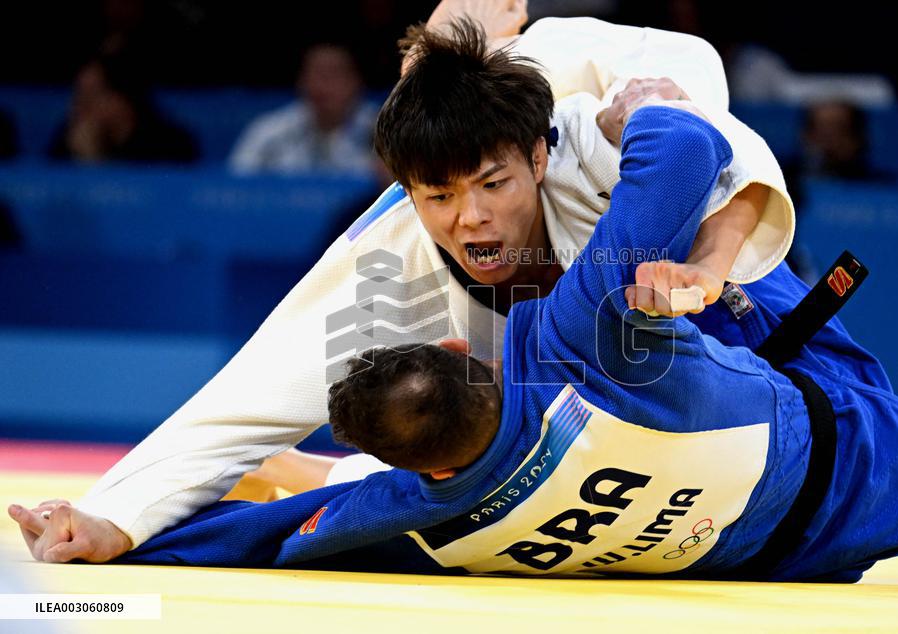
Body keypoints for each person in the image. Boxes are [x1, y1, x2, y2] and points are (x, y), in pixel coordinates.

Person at [9, 6, 796, 563]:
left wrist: (710, 265)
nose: (473, 220)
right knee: (459, 455)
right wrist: (110, 519)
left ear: (534, 154)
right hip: (569, 404)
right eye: (441, 197)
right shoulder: (390, 255)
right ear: (405, 189)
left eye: (492, 185)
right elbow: (240, 402)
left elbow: (713, 136)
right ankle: (302, 473)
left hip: (713, 330)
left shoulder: (577, 112)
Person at [107, 102, 898, 582]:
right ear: (459, 346)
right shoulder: (585, 330)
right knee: (697, 275)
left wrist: (111, 545)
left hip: (798, 561)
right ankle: (717, 277)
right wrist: (617, 116)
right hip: (876, 453)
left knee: (314, 491)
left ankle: (299, 461)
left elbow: (262, 538)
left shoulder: (413, 514)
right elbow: (688, 142)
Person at [228, 43, 382, 176]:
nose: (324, 85)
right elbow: (236, 188)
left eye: (335, 74)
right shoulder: (269, 132)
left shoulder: (382, 132)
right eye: (316, 73)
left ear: (357, 82)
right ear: (301, 81)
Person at [47, 53, 198, 164]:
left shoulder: (170, 145)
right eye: (78, 96)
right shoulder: (67, 140)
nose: (80, 107)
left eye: (91, 97)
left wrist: (96, 163)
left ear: (122, 100)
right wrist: (84, 160)